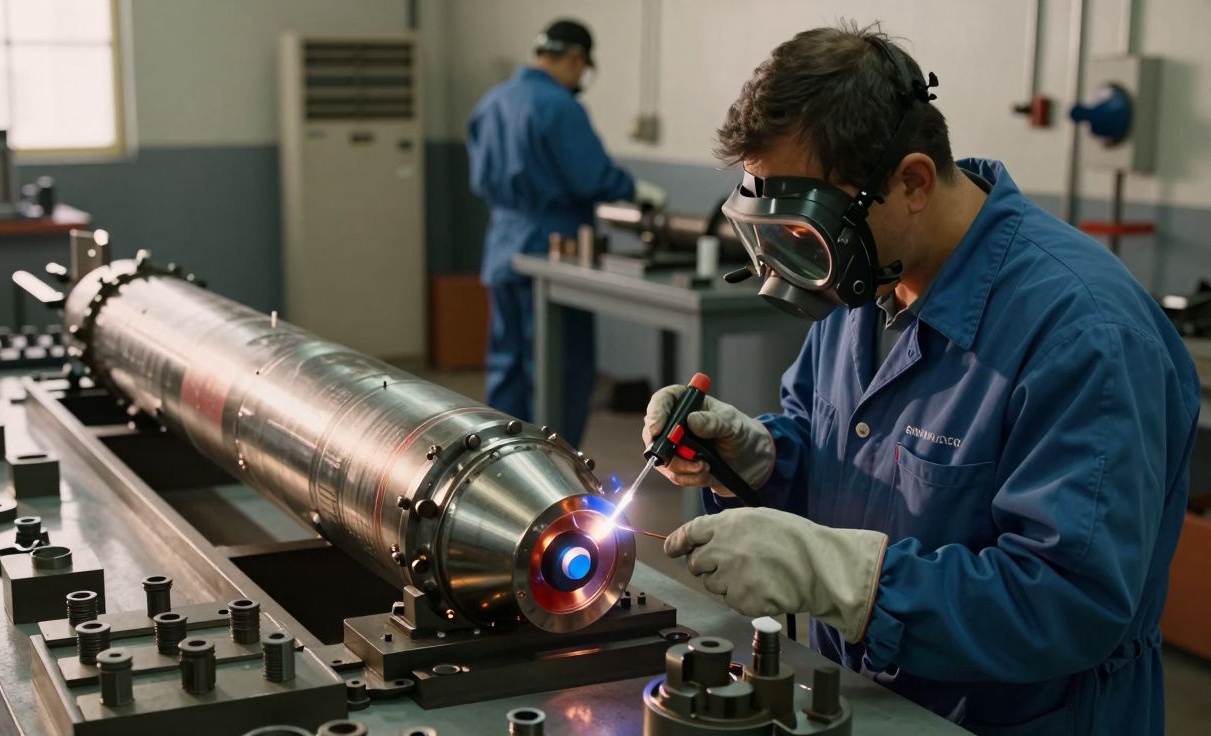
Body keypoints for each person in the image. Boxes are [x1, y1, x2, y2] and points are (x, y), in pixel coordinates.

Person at [643, 23, 1198, 735]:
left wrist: (843, 579)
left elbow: (1068, 603)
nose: (793, 268)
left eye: (806, 235)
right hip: (860, 699)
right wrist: (761, 460)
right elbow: (844, 456)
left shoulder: (1085, 335)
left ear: (911, 182)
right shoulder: (868, 279)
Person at [468, 18, 666, 447]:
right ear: (576, 59)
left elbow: (479, 179)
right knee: (560, 367)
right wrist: (633, 189)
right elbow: (591, 177)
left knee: (507, 362)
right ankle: (554, 462)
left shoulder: (492, 102)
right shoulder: (559, 107)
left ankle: (501, 458)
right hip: (553, 248)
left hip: (502, 246)